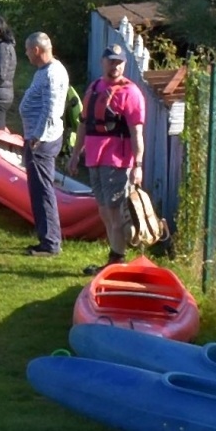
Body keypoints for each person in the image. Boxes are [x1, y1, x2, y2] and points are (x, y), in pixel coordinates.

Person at [67, 45, 147, 276]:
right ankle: (114, 257)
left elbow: (137, 133)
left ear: (124, 64)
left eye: (119, 62)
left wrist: (138, 165)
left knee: (114, 211)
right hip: (94, 158)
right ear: (103, 62)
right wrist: (75, 154)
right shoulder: (95, 88)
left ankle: (118, 259)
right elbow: (84, 124)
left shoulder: (131, 93)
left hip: (117, 160)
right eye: (111, 61)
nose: (115, 66)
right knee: (103, 210)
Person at [18, 32, 70, 258]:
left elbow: (51, 109)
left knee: (42, 191)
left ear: (36, 50)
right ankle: (46, 238)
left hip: (43, 140)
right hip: (38, 138)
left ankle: (50, 242)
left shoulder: (52, 73)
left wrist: (37, 135)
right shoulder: (44, 71)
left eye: (27, 50)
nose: (26, 53)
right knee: (39, 190)